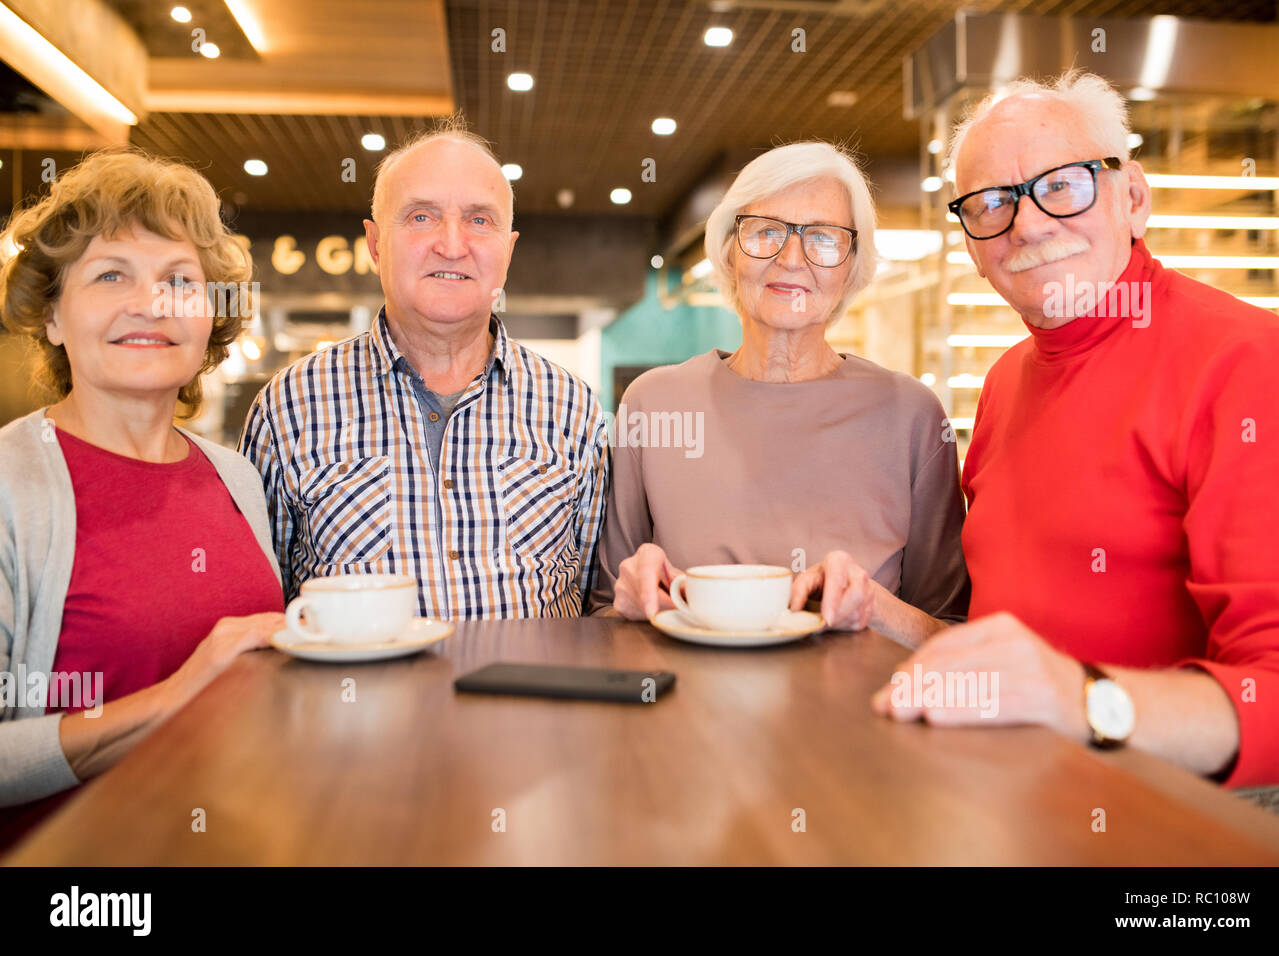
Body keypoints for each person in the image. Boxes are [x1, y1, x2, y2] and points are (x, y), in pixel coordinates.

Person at [872, 70, 1279, 813]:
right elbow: (1018, 644)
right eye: (991, 204)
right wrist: (883, 616)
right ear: (973, 247)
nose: (1029, 226)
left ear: (1133, 197)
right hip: (1029, 799)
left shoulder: (1247, 361)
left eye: (1062, 185)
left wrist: (1086, 702)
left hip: (1199, 818)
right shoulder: (1005, 383)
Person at [0, 150, 284, 838]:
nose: (150, 303)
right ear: (52, 317)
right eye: (110, 274)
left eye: (179, 280)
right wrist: (180, 696)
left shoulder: (236, 477)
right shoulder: (12, 484)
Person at [592, 141, 969, 642]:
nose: (791, 259)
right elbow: (601, 615)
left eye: (824, 239)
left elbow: (949, 636)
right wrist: (631, 603)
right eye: (766, 232)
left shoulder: (911, 416)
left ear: (852, 266)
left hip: (857, 716)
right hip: (684, 713)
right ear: (729, 251)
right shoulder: (652, 404)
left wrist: (876, 608)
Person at [240, 117, 607, 618]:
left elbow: (594, 606)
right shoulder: (288, 408)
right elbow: (260, 613)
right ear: (374, 245)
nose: (452, 244)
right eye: (421, 217)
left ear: (508, 250)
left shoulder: (574, 408)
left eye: (480, 220)